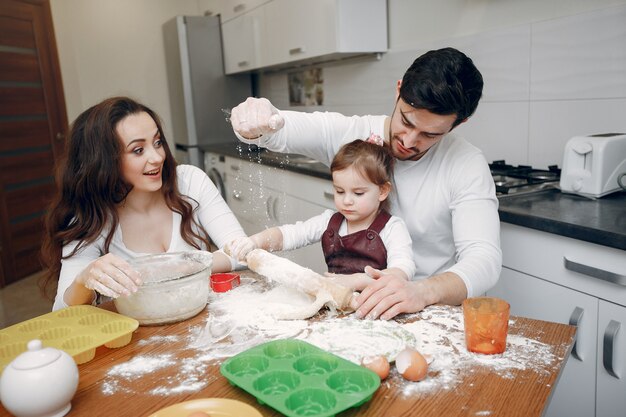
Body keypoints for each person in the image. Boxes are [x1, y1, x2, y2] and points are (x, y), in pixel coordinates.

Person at [229, 47, 502, 320]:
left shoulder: (466, 164)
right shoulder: (352, 134)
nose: (408, 141)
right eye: (405, 121)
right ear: (398, 91)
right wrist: (257, 118)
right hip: (355, 308)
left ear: (459, 123)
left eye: (429, 135)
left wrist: (422, 292)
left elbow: (484, 259)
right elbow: (278, 130)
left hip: (430, 312)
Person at [41, 97, 246, 311]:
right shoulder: (92, 215)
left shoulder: (190, 182)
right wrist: (85, 279)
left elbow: (243, 253)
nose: (157, 157)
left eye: (157, 142)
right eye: (138, 150)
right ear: (104, 161)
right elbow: (61, 311)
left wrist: (183, 267)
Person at [227, 139, 415, 283]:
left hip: (376, 306)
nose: (347, 201)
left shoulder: (392, 228)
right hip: (337, 305)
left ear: (382, 191)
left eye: (358, 193)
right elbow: (289, 234)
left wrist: (358, 281)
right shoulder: (329, 222)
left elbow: (403, 270)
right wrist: (255, 241)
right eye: (339, 191)